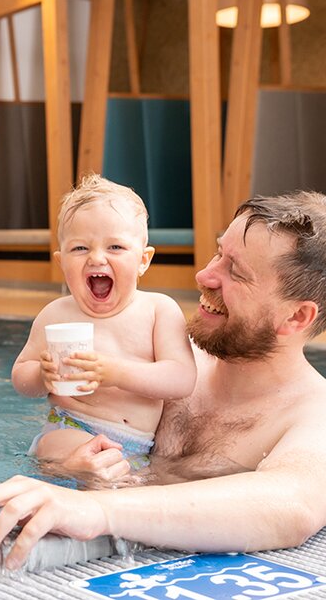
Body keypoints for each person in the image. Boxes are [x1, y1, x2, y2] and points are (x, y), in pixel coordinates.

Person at [0, 191, 326, 568]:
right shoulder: (161, 361)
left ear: (296, 316)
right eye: (219, 253)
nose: (204, 275)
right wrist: (63, 471)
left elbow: (291, 505)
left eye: (234, 270)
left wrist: (99, 510)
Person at [13, 174, 196, 469]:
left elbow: (181, 379)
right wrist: (42, 377)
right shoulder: (55, 314)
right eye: (80, 248)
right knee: (54, 446)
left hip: (136, 446)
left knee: (122, 483)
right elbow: (21, 376)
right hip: (70, 427)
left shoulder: (159, 310)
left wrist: (114, 372)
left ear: (143, 260)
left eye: (115, 248)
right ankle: (77, 466)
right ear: (62, 263)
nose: (97, 258)